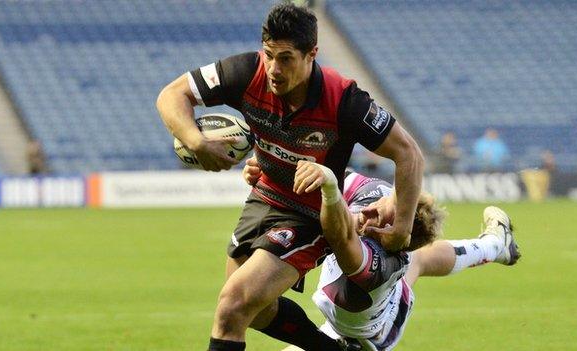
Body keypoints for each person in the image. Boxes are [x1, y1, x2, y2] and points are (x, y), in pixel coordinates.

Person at [156, 4, 424, 350]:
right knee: (254, 310)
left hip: (311, 214)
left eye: (285, 58)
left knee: (232, 307)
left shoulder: (346, 101)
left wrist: (402, 226)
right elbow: (171, 94)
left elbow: (409, 154)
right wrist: (196, 141)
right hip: (264, 196)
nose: (273, 69)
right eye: (268, 55)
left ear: (312, 54)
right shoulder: (244, 71)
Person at [279, 161, 521, 350]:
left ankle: (496, 244)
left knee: (415, 262)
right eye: (383, 203)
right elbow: (325, 170)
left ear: (396, 237)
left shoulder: (376, 265)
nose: (369, 211)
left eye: (381, 220)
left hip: (365, 337)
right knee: (420, 259)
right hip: (366, 307)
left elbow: (338, 233)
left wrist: (332, 188)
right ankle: (496, 244)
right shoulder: (377, 193)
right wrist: (272, 171)